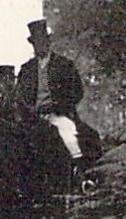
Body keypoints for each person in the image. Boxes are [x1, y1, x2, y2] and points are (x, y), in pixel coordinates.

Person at [12, 18, 86, 166]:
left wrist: (57, 106)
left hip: (58, 116)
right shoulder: (27, 69)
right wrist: (27, 110)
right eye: (36, 42)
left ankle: (81, 177)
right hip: (31, 119)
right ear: (33, 44)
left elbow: (77, 92)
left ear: (48, 41)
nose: (39, 45)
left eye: (42, 41)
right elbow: (18, 95)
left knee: (69, 137)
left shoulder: (64, 65)